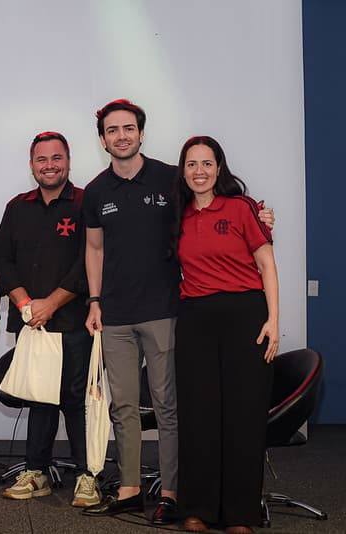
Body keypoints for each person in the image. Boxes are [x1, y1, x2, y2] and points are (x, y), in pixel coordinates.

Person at [82, 100, 275, 523]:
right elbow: (93, 249)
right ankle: (130, 488)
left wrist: (261, 218)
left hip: (167, 310)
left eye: (128, 128)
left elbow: (216, 208)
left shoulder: (171, 178)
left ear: (141, 133)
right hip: (114, 313)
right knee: (124, 407)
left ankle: (171, 492)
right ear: (102, 140)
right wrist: (94, 301)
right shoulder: (95, 191)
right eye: (112, 130)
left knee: (169, 406)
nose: (121, 136)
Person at [173, 136, 278, 534]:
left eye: (207, 163)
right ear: (183, 171)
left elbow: (266, 264)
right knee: (199, 415)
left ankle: (240, 514)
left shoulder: (240, 209)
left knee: (243, 415)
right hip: (196, 318)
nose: (199, 171)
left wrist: (272, 322)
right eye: (191, 164)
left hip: (245, 316)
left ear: (219, 168)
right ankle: (197, 509)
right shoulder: (177, 215)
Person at [0, 131, 100, 507]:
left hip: (73, 321)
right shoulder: (17, 207)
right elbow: (1, 260)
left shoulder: (87, 203)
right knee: (40, 399)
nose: (49, 165)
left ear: (68, 161)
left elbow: (90, 262)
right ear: (32, 165)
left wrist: (51, 304)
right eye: (42, 160)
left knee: (75, 399)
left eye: (56, 158)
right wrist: (26, 302)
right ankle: (36, 471)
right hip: (32, 322)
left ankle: (87, 476)